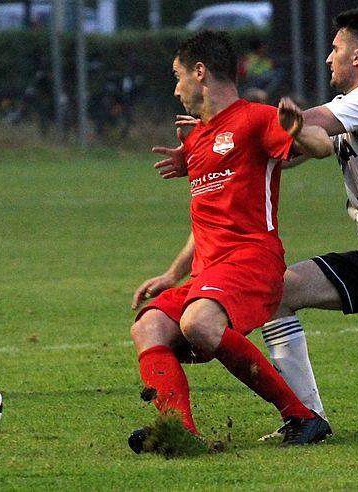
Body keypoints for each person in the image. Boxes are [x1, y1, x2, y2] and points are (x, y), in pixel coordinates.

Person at [151, 8, 358, 442]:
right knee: (278, 293)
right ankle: (305, 417)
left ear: (357, 56)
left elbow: (283, 126)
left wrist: (220, 125)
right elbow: (282, 149)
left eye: (335, 49)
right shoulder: (350, 110)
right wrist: (208, 152)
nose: (328, 58)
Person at [128, 30, 330, 452]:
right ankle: (180, 432)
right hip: (211, 269)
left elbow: (321, 146)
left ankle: (303, 417)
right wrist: (171, 274)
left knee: (198, 323)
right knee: (149, 326)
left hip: (252, 259)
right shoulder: (198, 137)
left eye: (178, 75)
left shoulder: (256, 117)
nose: (176, 87)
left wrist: (295, 126)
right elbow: (205, 219)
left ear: (200, 72)